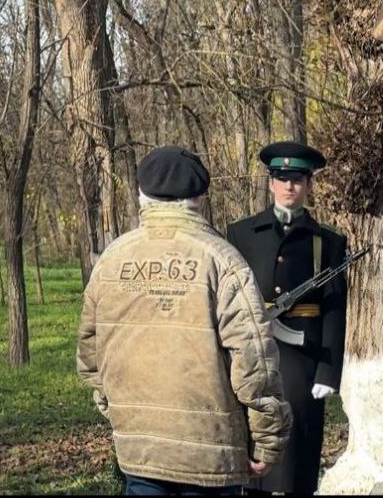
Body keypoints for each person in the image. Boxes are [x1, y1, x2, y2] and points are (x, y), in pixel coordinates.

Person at [77, 146, 291, 496]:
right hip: (210, 453)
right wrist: (268, 438)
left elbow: (90, 353)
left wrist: (116, 409)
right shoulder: (222, 260)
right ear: (199, 199)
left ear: (141, 195)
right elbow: (253, 360)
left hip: (139, 448)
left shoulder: (112, 259)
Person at [226, 141, 348, 495]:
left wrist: (328, 371)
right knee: (254, 446)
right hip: (253, 354)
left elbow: (334, 308)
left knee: (300, 450)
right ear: (270, 183)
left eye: (297, 179)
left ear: (309, 184)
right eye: (282, 178)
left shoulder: (327, 241)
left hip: (303, 358)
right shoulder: (241, 234)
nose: (289, 186)